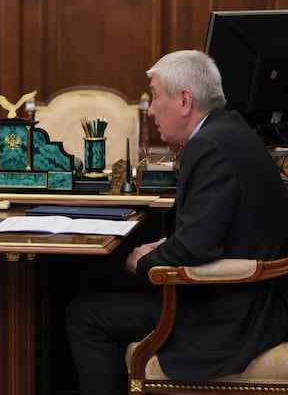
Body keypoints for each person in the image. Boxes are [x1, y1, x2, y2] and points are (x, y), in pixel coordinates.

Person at [65, 50, 288, 395]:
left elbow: (196, 249)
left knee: (84, 314)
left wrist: (145, 262)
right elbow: (211, 230)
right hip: (247, 299)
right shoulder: (230, 130)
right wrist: (166, 246)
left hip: (231, 316)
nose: (151, 110)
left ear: (184, 100)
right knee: (93, 279)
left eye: (155, 97)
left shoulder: (209, 145)